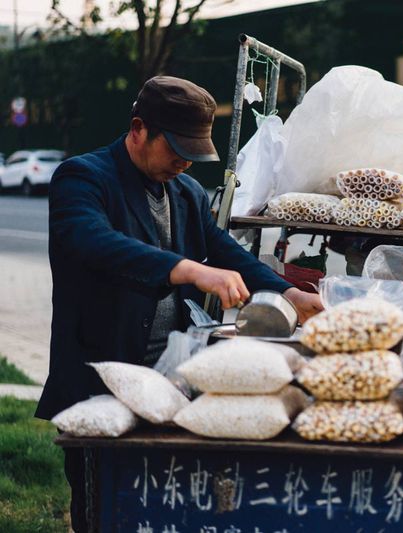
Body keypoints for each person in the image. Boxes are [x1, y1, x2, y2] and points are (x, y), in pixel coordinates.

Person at [35, 76, 323, 531]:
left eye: (194, 153)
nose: (185, 163)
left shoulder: (185, 191)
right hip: (100, 368)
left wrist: (285, 291)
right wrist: (188, 269)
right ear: (138, 130)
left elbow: (224, 249)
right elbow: (94, 242)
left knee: (159, 500)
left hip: (169, 374)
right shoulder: (82, 178)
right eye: (175, 149)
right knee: (100, 502)